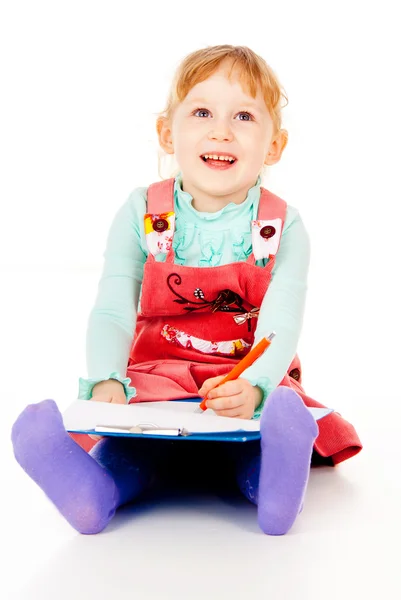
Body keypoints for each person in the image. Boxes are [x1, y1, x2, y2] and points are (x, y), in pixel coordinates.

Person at [11, 45, 362, 536]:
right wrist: (109, 378)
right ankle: (91, 496)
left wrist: (257, 386)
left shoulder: (282, 226)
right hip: (158, 381)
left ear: (275, 146)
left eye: (244, 115)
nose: (221, 130)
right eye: (202, 112)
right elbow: (114, 305)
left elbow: (281, 320)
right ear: (166, 133)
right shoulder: (142, 212)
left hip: (241, 380)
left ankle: (277, 486)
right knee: (132, 447)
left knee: (252, 440)